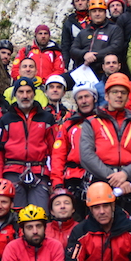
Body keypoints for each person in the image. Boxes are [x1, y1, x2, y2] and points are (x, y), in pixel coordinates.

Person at [79, 72, 131, 234]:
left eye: (123, 92)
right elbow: (87, 156)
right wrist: (114, 178)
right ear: (107, 95)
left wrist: (125, 175)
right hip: (102, 183)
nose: (119, 96)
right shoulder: (92, 122)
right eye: (114, 92)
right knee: (97, 230)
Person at [0, 77, 56, 210]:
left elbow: (54, 152)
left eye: (28, 91)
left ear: (34, 93)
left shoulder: (47, 118)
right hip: (12, 172)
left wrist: (54, 179)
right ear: (15, 95)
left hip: (39, 172)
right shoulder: (5, 119)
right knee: (14, 215)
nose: (25, 96)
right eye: (21, 92)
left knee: (40, 214)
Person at [51, 83, 98, 217]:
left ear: (94, 98)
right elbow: (58, 155)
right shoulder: (68, 124)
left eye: (87, 97)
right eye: (80, 98)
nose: (84, 101)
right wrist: (57, 183)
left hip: (97, 176)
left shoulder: (103, 122)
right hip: (73, 178)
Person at [70, 0, 125, 76]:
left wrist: (94, 57)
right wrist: (84, 54)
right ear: (90, 14)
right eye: (94, 11)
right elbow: (73, 50)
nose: (97, 14)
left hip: (105, 72)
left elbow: (116, 47)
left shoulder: (114, 29)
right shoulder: (83, 32)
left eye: (100, 11)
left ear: (105, 13)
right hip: (83, 71)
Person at [61, 0, 91, 66]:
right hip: (77, 60)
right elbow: (65, 46)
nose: (80, 3)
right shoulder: (69, 23)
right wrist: (65, 65)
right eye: (77, 1)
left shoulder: (95, 18)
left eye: (82, 0)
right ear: (74, 4)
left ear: (88, 2)